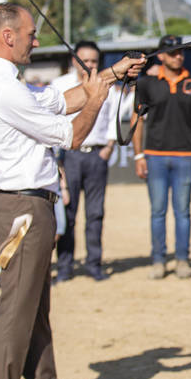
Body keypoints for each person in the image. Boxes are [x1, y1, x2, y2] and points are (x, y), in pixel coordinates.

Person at [0, 2, 143, 379]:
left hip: (27, 205)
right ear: (8, 36)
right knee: (16, 311)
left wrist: (113, 74)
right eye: (30, 33)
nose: (35, 40)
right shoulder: (5, 92)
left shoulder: (1, 85)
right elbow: (74, 134)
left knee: (34, 312)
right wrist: (100, 98)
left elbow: (60, 101)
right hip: (23, 209)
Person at [133, 35, 191, 281]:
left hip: (186, 155)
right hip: (155, 156)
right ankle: (159, 260)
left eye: (181, 52)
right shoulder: (147, 84)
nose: (178, 56)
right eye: (173, 52)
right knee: (158, 211)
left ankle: (183, 260)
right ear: (161, 56)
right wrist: (138, 155)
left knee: (183, 212)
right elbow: (136, 120)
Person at [50, 40, 119, 282]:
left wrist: (109, 146)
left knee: (95, 213)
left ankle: (94, 264)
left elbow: (113, 117)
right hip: (69, 156)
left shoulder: (105, 84)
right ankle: (65, 266)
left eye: (93, 61)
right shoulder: (58, 86)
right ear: (73, 61)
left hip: (97, 154)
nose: (89, 65)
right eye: (84, 61)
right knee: (68, 213)